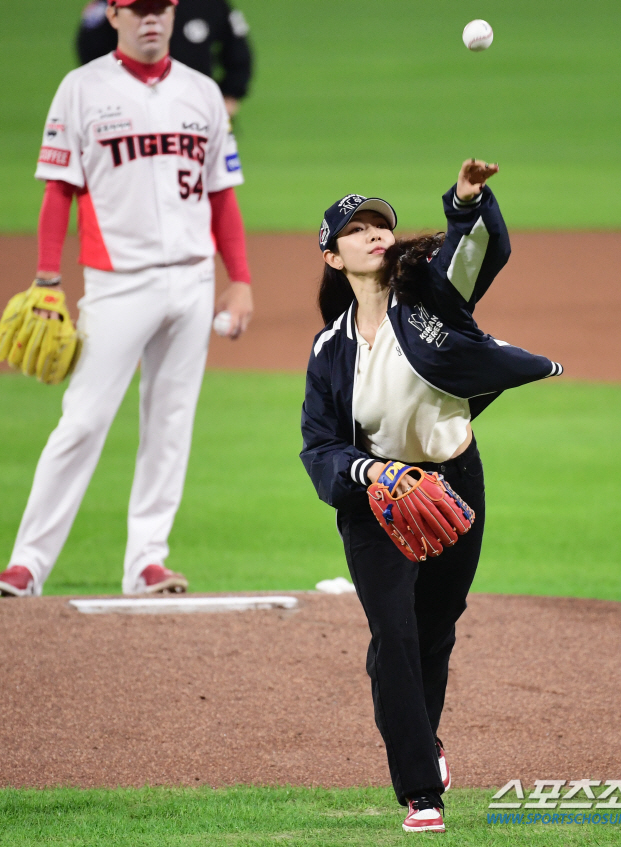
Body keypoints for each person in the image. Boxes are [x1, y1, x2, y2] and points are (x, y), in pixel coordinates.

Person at [300, 159, 563, 832]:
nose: (372, 235)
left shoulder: (430, 302)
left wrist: (467, 202)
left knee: (434, 628)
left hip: (452, 480)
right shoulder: (329, 351)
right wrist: (374, 475)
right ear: (334, 256)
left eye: (379, 224)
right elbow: (321, 447)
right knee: (394, 628)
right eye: (354, 230)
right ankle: (422, 791)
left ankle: (417, 727)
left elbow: (481, 252)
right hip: (376, 499)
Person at [0, 0, 252, 598]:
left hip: (192, 284)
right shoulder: (81, 89)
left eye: (160, 9)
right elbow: (58, 190)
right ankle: (27, 564)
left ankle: (147, 562)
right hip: (118, 284)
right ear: (113, 15)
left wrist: (238, 279)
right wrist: (45, 278)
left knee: (170, 423)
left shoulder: (202, 93)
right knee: (83, 421)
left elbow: (222, 195)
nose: (151, 19)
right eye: (137, 9)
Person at [76, 0, 253, 117]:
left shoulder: (211, 4)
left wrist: (230, 95)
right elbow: (91, 48)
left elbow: (238, 51)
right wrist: (117, 80)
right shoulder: (122, 3)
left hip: (194, 108)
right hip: (129, 108)